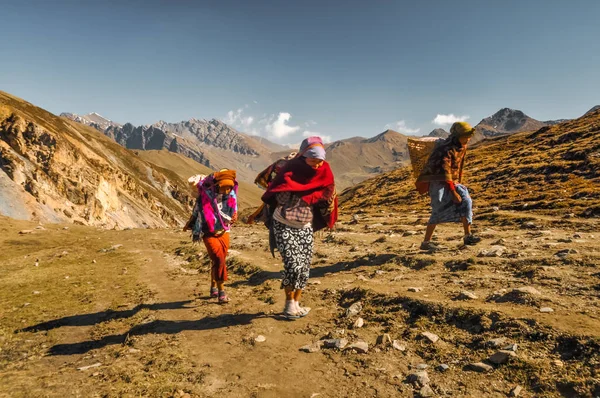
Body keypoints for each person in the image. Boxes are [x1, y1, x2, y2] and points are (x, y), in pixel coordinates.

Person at [262, 137, 338, 319]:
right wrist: (296, 193)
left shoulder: (324, 170)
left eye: (320, 161)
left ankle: (295, 305)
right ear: (304, 156)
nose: (317, 165)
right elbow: (277, 192)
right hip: (284, 223)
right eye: (313, 160)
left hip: (305, 226)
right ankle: (289, 304)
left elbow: (328, 190)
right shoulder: (291, 168)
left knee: (304, 267)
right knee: (293, 264)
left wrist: (314, 198)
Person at [416, 121, 481, 251]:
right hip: (438, 182)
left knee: (466, 201)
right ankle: (426, 243)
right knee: (438, 209)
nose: (468, 139)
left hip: (452, 181)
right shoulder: (445, 149)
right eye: (465, 136)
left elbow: (456, 168)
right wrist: (453, 192)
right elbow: (445, 172)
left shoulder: (461, 147)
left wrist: (457, 183)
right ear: (457, 136)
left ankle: (468, 235)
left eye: (469, 136)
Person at [184, 169, 238, 303]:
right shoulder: (206, 196)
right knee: (219, 258)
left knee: (219, 259)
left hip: (224, 231)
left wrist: (234, 216)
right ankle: (222, 292)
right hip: (207, 230)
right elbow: (197, 211)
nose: (226, 191)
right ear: (217, 185)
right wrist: (189, 224)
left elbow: (234, 209)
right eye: (224, 187)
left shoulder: (232, 195)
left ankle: (213, 285)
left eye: (229, 188)